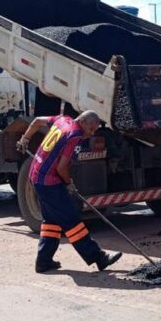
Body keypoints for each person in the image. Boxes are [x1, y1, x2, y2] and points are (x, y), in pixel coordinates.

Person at [16, 111, 122, 273]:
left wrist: (25, 138)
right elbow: (62, 167)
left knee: (51, 222)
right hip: (49, 182)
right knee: (72, 222)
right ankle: (98, 258)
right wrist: (68, 182)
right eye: (91, 129)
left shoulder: (62, 120)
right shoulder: (74, 135)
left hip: (36, 176)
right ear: (83, 122)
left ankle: (43, 262)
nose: (91, 133)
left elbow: (37, 121)